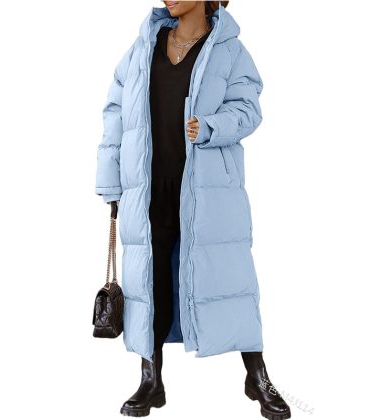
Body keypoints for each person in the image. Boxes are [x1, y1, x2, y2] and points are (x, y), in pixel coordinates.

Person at [95, 2, 291, 419]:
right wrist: (111, 181)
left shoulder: (229, 49)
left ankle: (258, 377)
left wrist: (211, 126)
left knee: (232, 281)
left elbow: (249, 109)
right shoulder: (143, 46)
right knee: (150, 283)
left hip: (206, 190)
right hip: (149, 189)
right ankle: (151, 380)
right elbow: (115, 112)